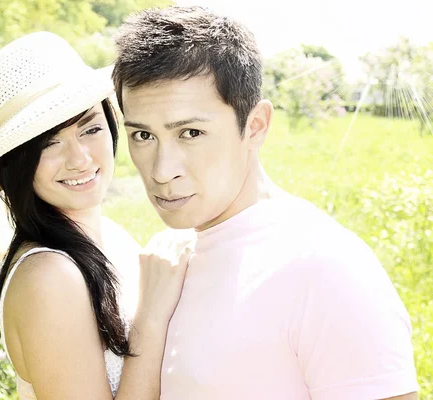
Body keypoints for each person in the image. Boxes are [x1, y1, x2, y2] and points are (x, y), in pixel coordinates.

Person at [112, 6, 419, 399]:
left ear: (255, 126)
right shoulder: (167, 256)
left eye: (190, 132)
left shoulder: (324, 268)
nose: (161, 170)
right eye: (143, 136)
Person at [0, 31, 191, 399]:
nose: (80, 159)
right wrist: (150, 317)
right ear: (16, 164)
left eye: (90, 129)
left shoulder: (111, 237)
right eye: (49, 141)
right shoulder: (50, 277)